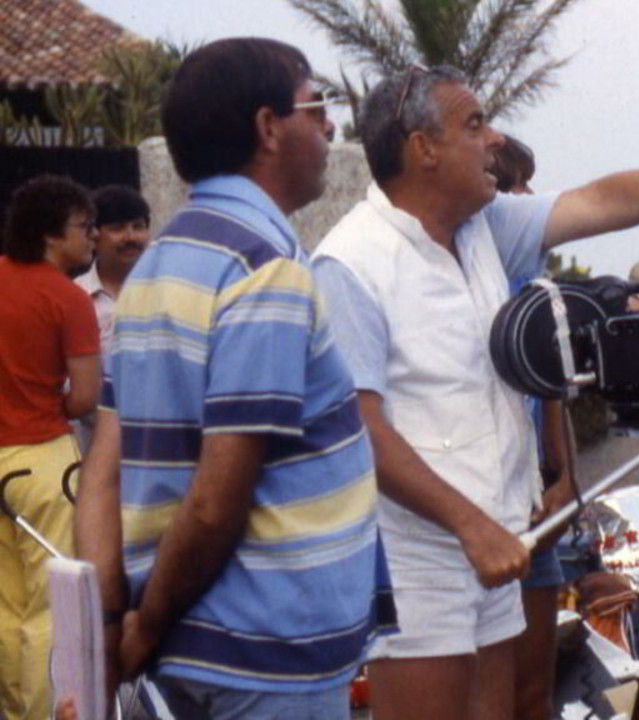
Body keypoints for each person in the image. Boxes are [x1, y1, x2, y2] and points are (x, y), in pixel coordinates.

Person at [312, 64, 639, 719]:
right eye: (474, 124)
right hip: (421, 559)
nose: (494, 139)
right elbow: (360, 428)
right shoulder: (353, 263)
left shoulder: (484, 228)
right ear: (424, 148)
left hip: (499, 542)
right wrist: (471, 527)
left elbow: (602, 200)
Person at [73, 37, 395, 718]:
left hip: (193, 645)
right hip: (269, 645)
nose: (329, 126)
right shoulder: (262, 268)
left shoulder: (156, 268)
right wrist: (146, 627)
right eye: (316, 106)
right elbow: (218, 498)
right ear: (268, 127)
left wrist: (111, 623)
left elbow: (103, 469)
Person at [0, 175, 100, 720]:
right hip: (44, 461)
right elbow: (85, 396)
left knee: (4, 603)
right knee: (49, 606)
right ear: (50, 234)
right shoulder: (69, 299)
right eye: (83, 227)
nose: (92, 236)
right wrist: (43, 399)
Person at [492, 134, 576, 720]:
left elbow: (551, 391)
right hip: (482, 513)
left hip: (535, 511)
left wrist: (564, 478)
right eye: (511, 185)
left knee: (534, 694)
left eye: (527, 183)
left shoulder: (535, 288)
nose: (525, 196)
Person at [73, 185, 151, 448]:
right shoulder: (75, 298)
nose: (130, 237)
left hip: (156, 444)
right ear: (94, 235)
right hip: (92, 446)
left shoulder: (166, 293)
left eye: (138, 226)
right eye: (118, 228)